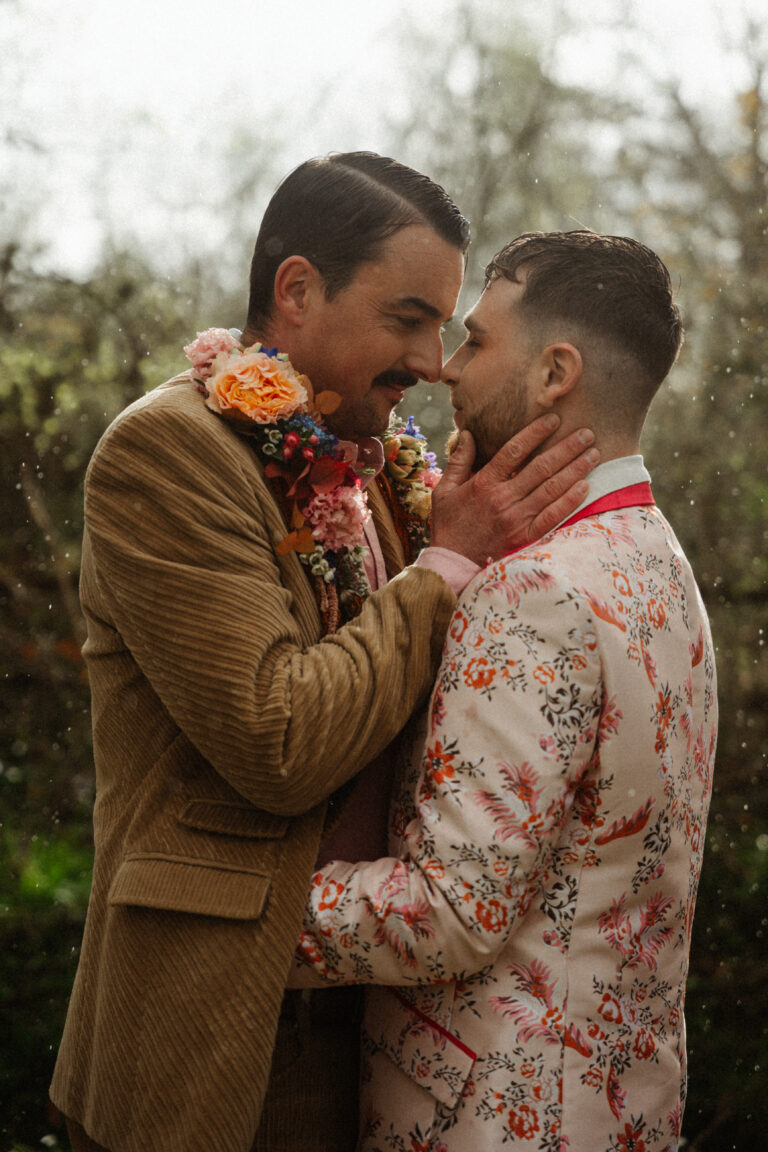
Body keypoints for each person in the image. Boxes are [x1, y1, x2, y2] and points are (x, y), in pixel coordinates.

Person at [49, 156, 598, 1152]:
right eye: (407, 319)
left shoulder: (376, 460)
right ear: (297, 290)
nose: (433, 362)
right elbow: (279, 739)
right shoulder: (165, 455)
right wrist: (446, 566)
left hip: (373, 1019)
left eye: (444, 327)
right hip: (218, 1035)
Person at [292, 230, 718, 1152]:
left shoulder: (535, 591)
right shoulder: (658, 562)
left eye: (478, 340)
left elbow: (449, 913)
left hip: (491, 1117)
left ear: (555, 371)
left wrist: (246, 906)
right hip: (622, 1111)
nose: (446, 369)